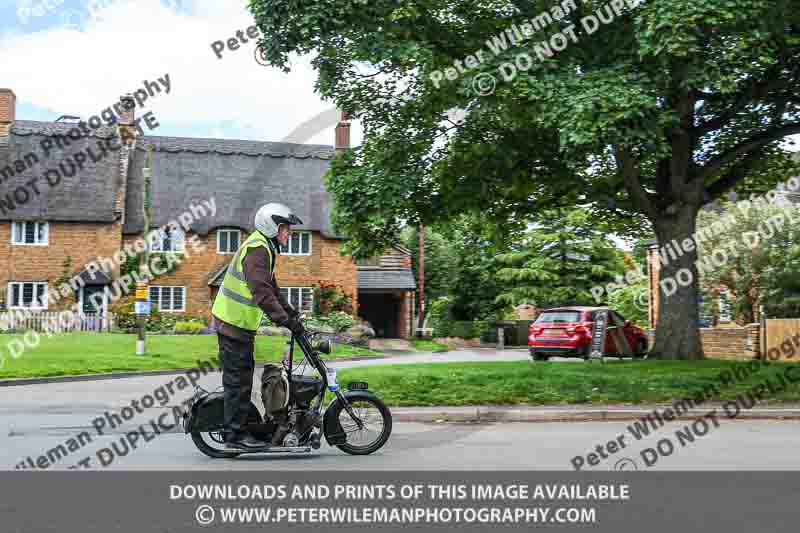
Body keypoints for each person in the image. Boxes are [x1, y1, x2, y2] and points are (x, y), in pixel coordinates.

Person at [210, 203, 306, 450]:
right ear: (273, 227)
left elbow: (273, 290)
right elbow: (262, 294)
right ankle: (235, 436)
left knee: (242, 378)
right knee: (238, 382)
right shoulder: (257, 250)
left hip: (239, 326)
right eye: (286, 228)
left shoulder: (266, 249)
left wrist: (293, 315)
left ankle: (246, 428)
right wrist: (284, 321)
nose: (289, 234)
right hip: (232, 324)